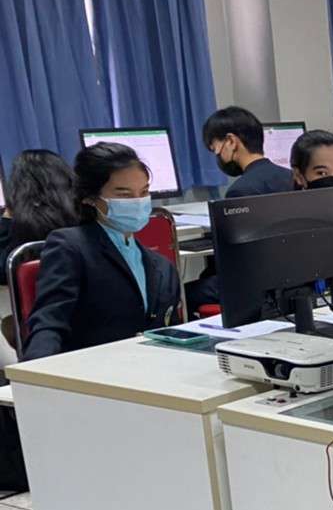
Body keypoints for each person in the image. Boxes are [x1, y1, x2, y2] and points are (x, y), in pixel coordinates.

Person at [25, 143, 182, 360]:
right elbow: (50, 321)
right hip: (92, 369)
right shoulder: (70, 246)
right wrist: (37, 371)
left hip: (152, 367)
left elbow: (170, 332)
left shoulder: (162, 266)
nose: (137, 202)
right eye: (124, 195)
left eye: (144, 192)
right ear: (90, 197)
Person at [1, 150, 78, 355]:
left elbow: (3, 271)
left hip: (43, 329)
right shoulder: (81, 220)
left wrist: (7, 218)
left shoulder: (20, 227)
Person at [202, 106, 295, 197]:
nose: (217, 155)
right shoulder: (294, 178)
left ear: (231, 141)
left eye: (215, 149)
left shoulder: (239, 191)